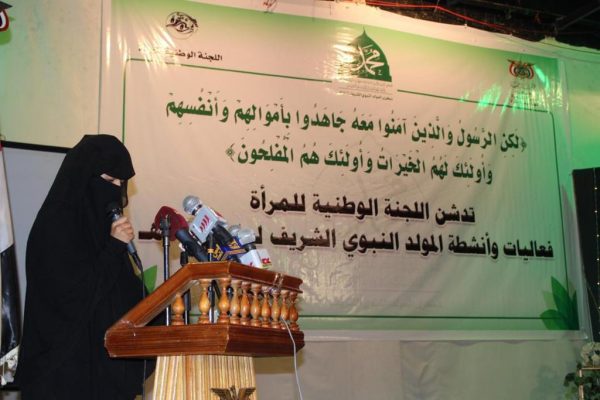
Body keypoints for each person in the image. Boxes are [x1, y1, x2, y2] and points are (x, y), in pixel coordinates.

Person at [17, 135, 150, 399]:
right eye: (109, 180)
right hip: (60, 379)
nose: (116, 190)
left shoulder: (105, 233)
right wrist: (113, 248)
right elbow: (72, 297)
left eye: (121, 183)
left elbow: (123, 295)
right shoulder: (54, 227)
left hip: (102, 378)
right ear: (83, 176)